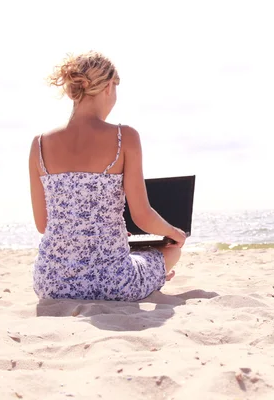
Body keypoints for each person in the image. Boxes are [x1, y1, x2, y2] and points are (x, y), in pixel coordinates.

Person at [28, 51, 186, 302]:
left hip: (50, 283)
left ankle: (152, 276)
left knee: (143, 255)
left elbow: (43, 225)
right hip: (113, 283)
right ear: (109, 87)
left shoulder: (39, 144)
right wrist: (176, 233)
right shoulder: (125, 137)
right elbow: (142, 216)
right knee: (171, 252)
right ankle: (155, 278)